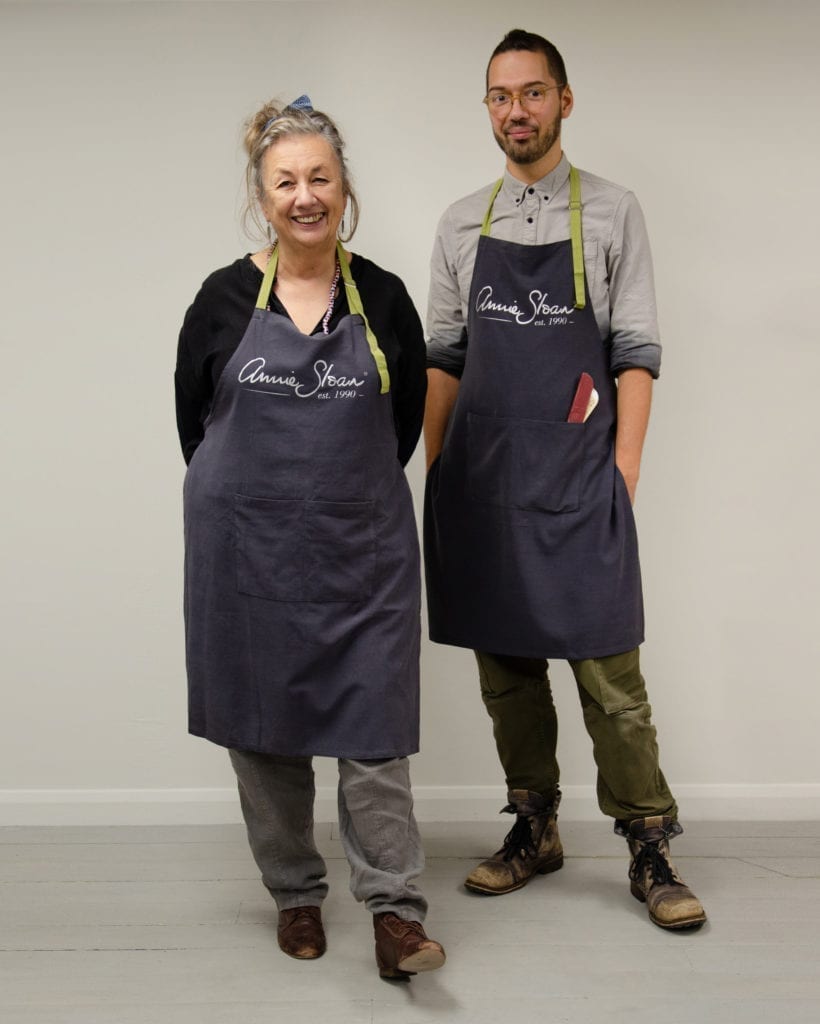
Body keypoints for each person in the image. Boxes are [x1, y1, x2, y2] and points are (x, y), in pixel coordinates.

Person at [423, 30, 706, 931]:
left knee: (610, 677)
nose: (517, 110)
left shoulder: (615, 211)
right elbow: (443, 357)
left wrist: (621, 473)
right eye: (501, 96)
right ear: (489, 108)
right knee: (507, 673)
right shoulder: (461, 222)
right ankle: (535, 827)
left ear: (564, 101)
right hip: (486, 484)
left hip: (580, 480)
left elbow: (634, 353)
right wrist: (440, 473)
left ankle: (649, 845)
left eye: (533, 93)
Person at [175, 95, 446, 978]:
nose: (304, 196)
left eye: (319, 178)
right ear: (262, 196)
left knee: (374, 739)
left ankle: (397, 915)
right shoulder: (220, 302)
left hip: (361, 556)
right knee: (266, 736)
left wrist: (335, 499)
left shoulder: (388, 300)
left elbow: (401, 426)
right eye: (285, 181)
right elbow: (196, 425)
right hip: (247, 556)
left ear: (343, 189)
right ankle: (295, 894)